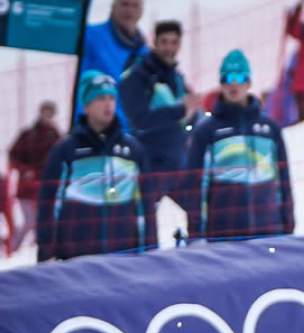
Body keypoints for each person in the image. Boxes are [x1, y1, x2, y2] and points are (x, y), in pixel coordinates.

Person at [36, 71, 156, 262]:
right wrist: (46, 253)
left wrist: (151, 251)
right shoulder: (65, 150)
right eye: (100, 98)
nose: (108, 104)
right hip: (76, 259)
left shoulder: (134, 150)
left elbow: (146, 205)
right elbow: (48, 204)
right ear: (86, 106)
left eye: (111, 98)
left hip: (124, 257)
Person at [181, 50, 294, 242]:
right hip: (223, 235)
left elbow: (283, 181)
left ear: (248, 83)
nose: (233, 84)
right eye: (228, 78)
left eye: (240, 77)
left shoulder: (270, 129)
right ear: (221, 84)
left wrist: (288, 226)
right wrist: (196, 233)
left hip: (268, 231)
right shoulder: (206, 131)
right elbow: (194, 188)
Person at [119, 20, 201, 200]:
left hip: (178, 163)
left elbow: (187, 120)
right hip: (151, 165)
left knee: (200, 209)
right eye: (164, 42)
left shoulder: (177, 78)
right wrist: (181, 111)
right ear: (154, 42)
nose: (169, 48)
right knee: (142, 213)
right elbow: (139, 120)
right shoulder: (139, 75)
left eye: (174, 42)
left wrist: (192, 117)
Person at [77, 0, 147, 129]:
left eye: (135, 5)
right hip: (97, 130)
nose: (129, 11)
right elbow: (80, 85)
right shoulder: (91, 37)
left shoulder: (144, 52)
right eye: (124, 4)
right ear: (113, 7)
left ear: (141, 10)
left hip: (131, 133)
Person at [7, 101, 62, 251]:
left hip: (46, 187)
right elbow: (13, 156)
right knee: (30, 221)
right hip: (27, 188)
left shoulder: (56, 137)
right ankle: (11, 250)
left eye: (51, 113)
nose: (48, 116)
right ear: (41, 112)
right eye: (46, 112)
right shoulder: (28, 135)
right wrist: (25, 171)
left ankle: (42, 251)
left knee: (45, 223)